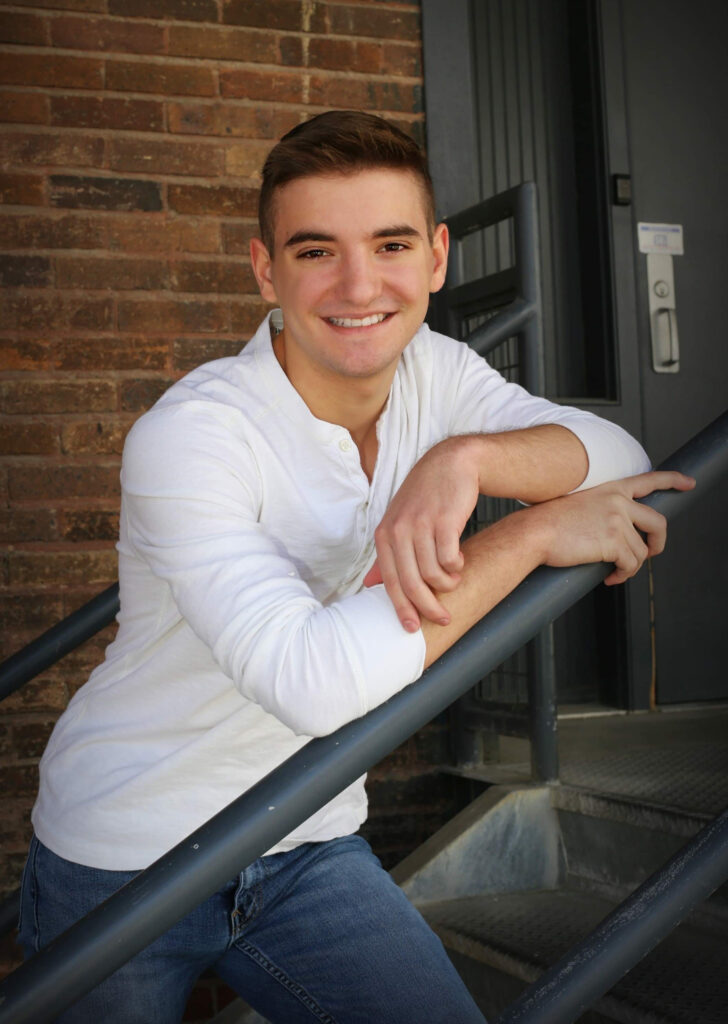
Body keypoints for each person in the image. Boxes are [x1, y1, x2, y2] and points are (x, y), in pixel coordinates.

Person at [18, 110, 693, 1023]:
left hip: (308, 837)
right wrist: (529, 536)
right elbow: (312, 680)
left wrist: (469, 462)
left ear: (439, 257)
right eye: (315, 251)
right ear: (265, 268)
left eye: (390, 244)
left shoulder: (437, 374)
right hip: (125, 850)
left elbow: (617, 451)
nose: (359, 284)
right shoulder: (191, 434)